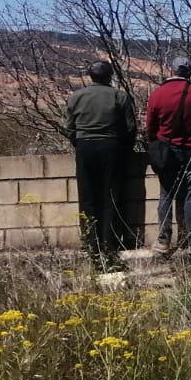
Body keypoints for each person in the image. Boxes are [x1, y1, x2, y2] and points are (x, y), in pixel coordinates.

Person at [64, 60, 137, 273]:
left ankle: (90, 243)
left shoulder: (76, 97)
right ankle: (109, 243)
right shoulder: (119, 96)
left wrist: (80, 142)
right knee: (111, 196)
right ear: (110, 76)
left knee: (87, 197)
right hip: (111, 146)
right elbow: (131, 128)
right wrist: (124, 149)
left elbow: (69, 127)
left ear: (90, 76)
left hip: (85, 147)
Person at [144, 56, 191, 257]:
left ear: (171, 71)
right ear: (190, 73)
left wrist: (157, 143)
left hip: (167, 150)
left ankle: (163, 241)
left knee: (166, 194)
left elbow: (150, 126)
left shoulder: (157, 94)